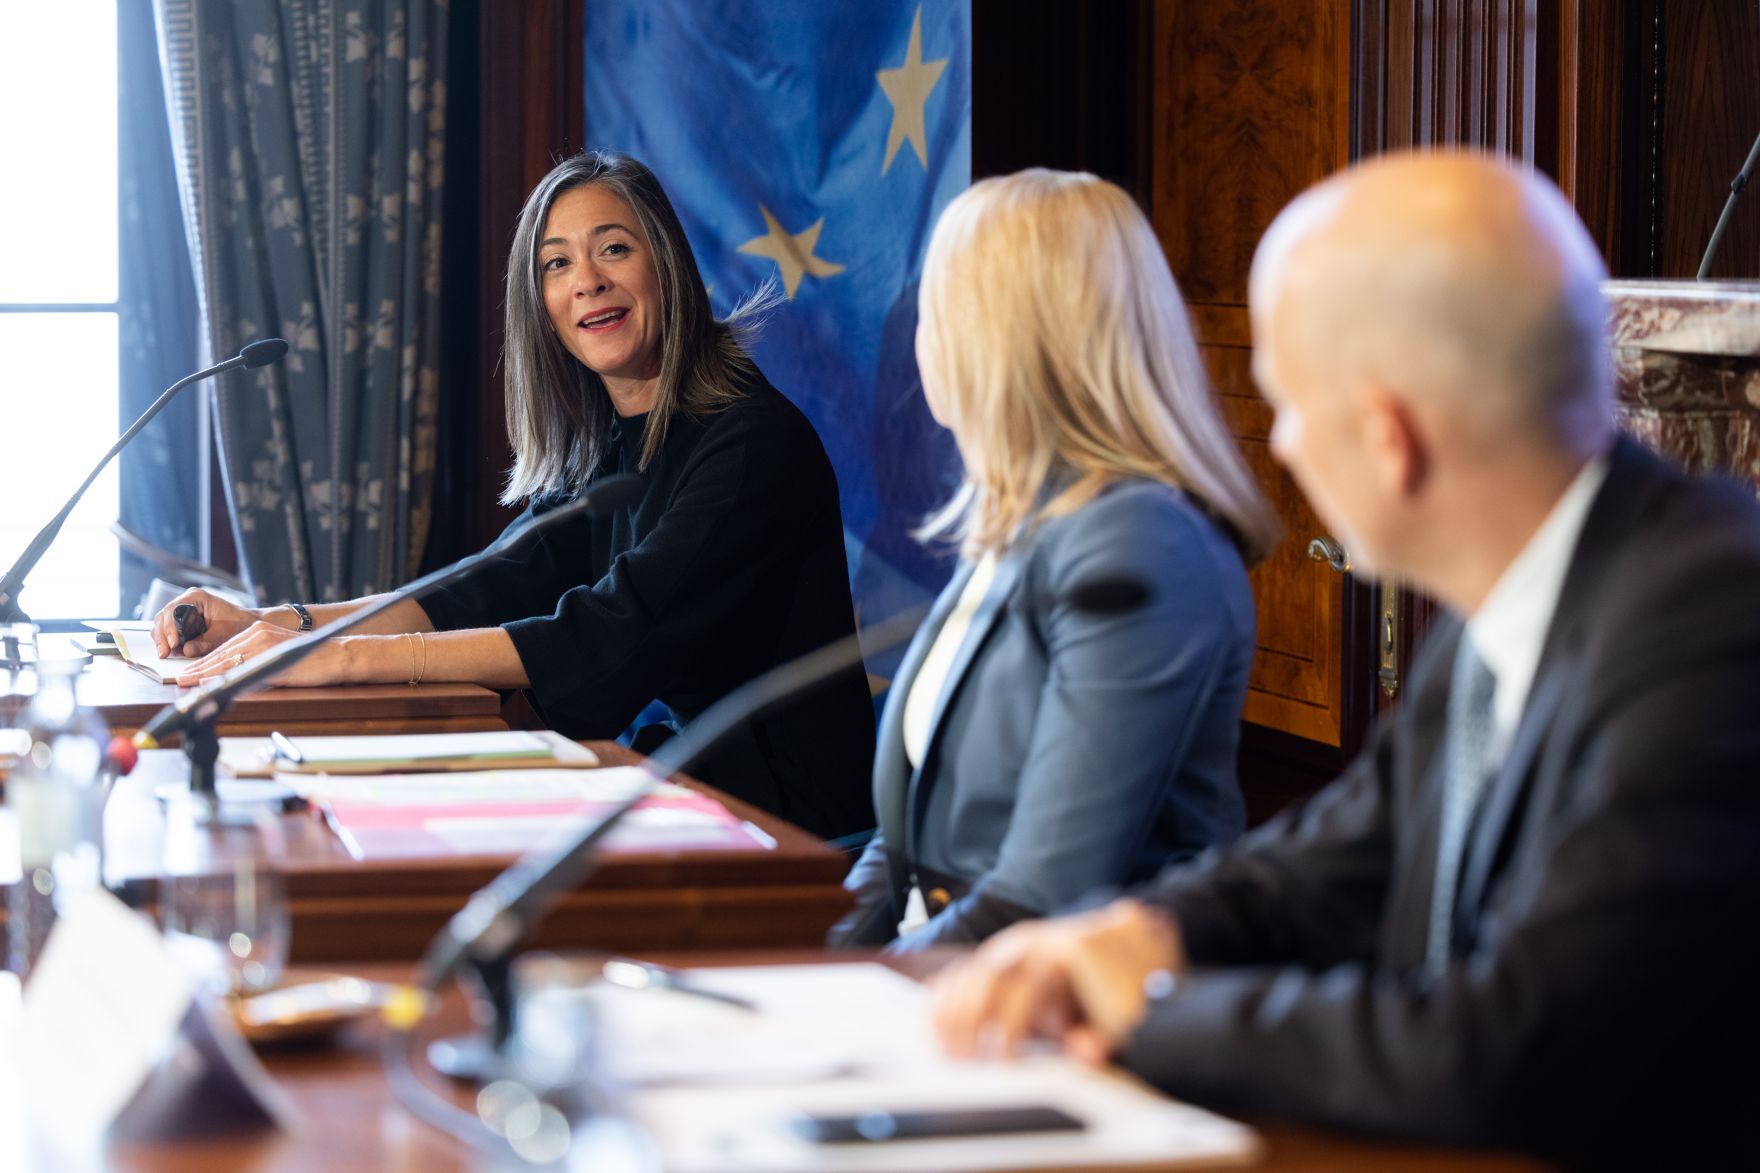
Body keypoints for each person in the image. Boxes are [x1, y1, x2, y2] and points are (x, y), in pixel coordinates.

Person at [929, 151, 1760, 1165]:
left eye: (1285, 402)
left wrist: (1147, 1015)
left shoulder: (1710, 625)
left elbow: (1507, 1044)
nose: (1278, 445)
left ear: (1385, 436)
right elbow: (1337, 857)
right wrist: (1141, 933)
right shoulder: (1520, 583)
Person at [152, 150, 876, 841]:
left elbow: (617, 627)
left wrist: (340, 658)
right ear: (543, 308)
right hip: (685, 784)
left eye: (613, 249)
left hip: (793, 826)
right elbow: (481, 587)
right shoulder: (608, 446)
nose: (585, 280)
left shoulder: (751, 441)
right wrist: (283, 624)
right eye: (557, 263)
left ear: (669, 267)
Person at [830, 170, 1278, 953]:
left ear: (1003, 336)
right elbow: (897, 852)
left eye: (936, 310)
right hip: (949, 982)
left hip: (1062, 1013)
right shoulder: (1021, 525)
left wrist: (858, 994)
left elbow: (1041, 897)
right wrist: (807, 961)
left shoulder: (1141, 540)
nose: (919, 338)